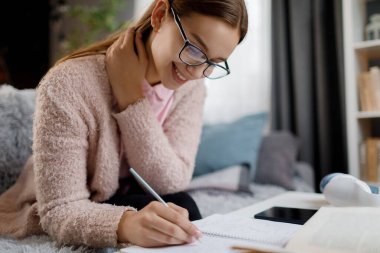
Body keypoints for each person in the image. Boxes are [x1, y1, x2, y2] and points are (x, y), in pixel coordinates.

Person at [0, 0, 248, 248]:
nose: (196, 72)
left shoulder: (191, 88)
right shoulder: (67, 84)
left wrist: (131, 99)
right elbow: (59, 209)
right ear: (160, 16)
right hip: (69, 205)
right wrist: (126, 224)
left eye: (213, 62)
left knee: (182, 207)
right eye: (194, 49)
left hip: (125, 195)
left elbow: (171, 182)